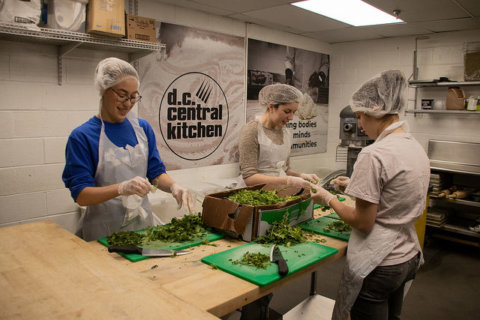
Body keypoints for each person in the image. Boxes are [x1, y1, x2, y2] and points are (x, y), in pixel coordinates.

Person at [310, 70, 430, 320]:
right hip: (408, 255)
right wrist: (355, 185)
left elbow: (363, 222)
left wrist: (327, 198)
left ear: (375, 110)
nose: (359, 125)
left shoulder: (373, 154)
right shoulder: (413, 146)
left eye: (360, 117)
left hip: (381, 262)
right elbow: (395, 192)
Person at [62, 57, 192, 241]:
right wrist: (122, 188)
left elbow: (155, 173)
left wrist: (173, 186)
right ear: (103, 89)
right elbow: (82, 196)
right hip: (103, 233)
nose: (128, 103)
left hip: (142, 228)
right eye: (122, 95)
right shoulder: (83, 137)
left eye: (133, 96)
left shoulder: (143, 129)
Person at [238, 83, 320, 188]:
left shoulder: (285, 132)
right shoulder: (251, 130)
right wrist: (288, 180)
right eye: (287, 111)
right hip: (254, 193)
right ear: (271, 107)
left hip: (279, 190)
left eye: (293, 112)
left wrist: (301, 176)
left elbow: (285, 169)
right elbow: (249, 178)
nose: (291, 117)